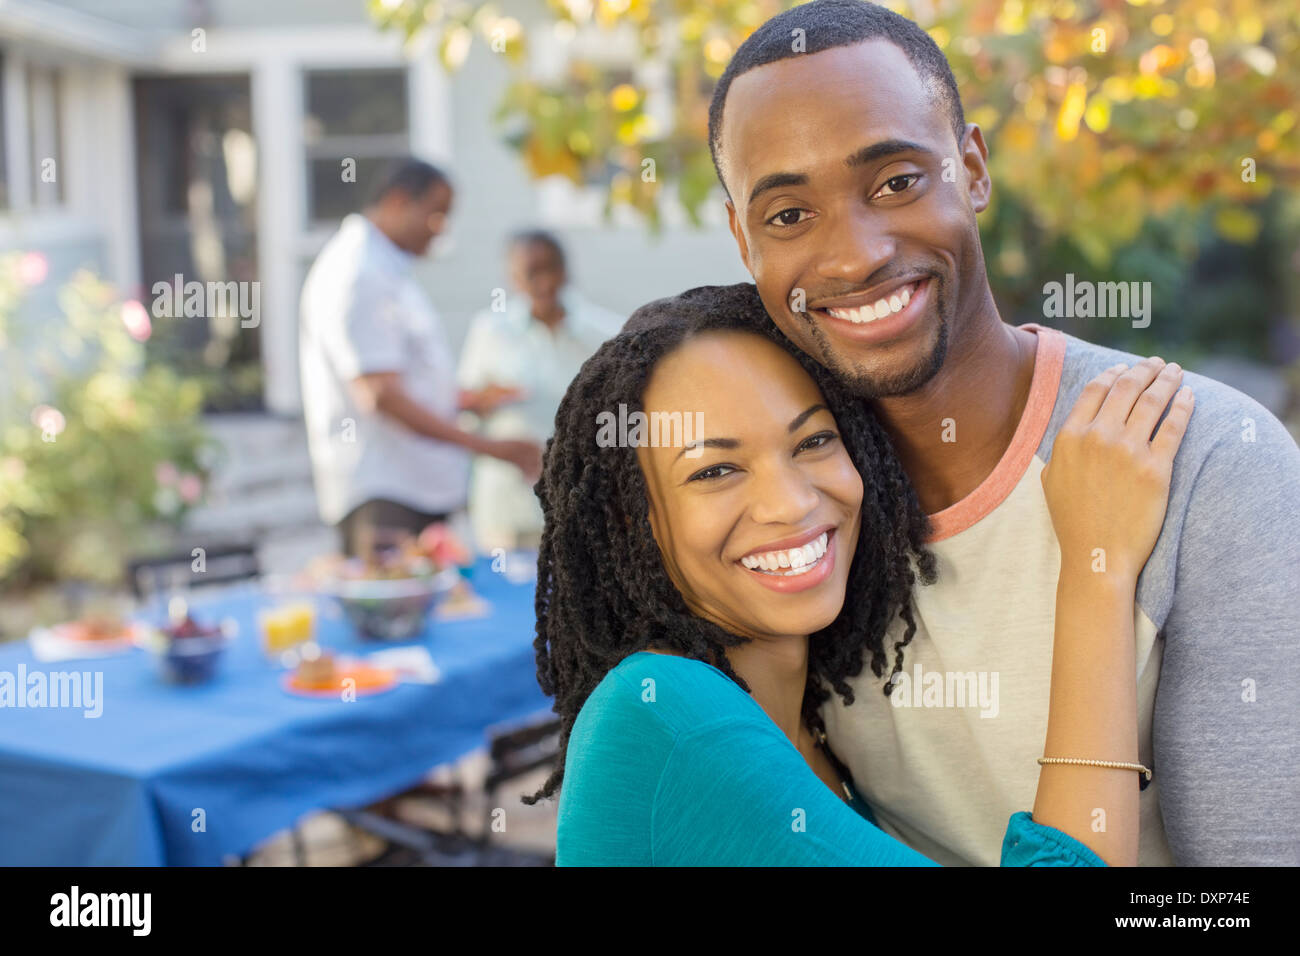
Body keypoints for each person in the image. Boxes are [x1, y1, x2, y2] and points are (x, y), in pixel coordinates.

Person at [704, 0, 1300, 864]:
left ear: (973, 168)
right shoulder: (778, 516)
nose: (854, 255)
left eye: (896, 182)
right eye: (789, 215)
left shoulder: (1203, 462)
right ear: (742, 239)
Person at [528, 283, 1192, 866]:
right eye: (715, 471)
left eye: (813, 441)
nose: (791, 502)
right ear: (628, 520)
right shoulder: (664, 712)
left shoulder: (810, 728)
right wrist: (1096, 567)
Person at [298, 159, 542, 558]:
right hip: (386, 495)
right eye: (436, 214)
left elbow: (400, 379)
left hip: (414, 488)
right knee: (396, 613)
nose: (442, 228)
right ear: (397, 201)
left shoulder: (385, 269)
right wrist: (492, 448)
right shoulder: (360, 272)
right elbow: (380, 395)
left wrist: (469, 399)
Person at [457, 230, 622, 552]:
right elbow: (464, 412)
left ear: (566, 269)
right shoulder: (490, 332)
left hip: (584, 508)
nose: (545, 282)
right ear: (514, 277)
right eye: (533, 272)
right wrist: (481, 403)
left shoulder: (604, 333)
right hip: (509, 510)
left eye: (552, 268)